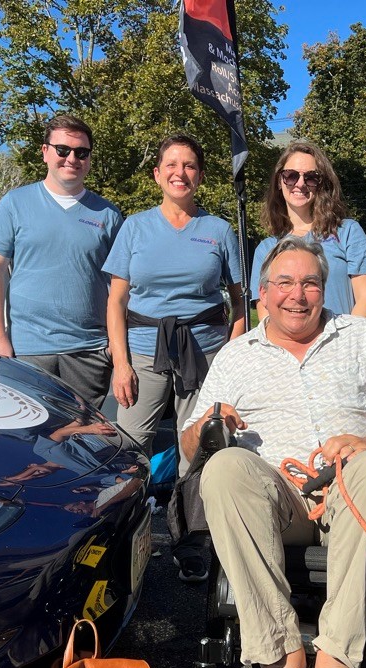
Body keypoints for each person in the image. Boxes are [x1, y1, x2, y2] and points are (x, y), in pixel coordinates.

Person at [179, 236, 366, 668]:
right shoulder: (236, 354)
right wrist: (206, 427)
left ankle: (334, 664)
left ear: (324, 288)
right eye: (283, 283)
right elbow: (187, 449)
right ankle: (281, 658)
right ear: (263, 294)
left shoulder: (361, 335)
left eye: (310, 282)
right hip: (276, 501)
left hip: (350, 489)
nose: (297, 294)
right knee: (223, 468)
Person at [104, 133, 246, 582]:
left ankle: (192, 541)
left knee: (198, 448)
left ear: (200, 176)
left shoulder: (220, 231)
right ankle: (122, 538)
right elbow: (116, 302)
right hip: (144, 352)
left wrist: (231, 355)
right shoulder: (135, 227)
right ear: (157, 174)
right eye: (171, 164)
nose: (179, 172)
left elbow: (241, 302)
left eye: (189, 165)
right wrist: (121, 364)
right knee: (129, 447)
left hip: (203, 355)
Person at [0, 113, 123, 408]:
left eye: (81, 152)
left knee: (79, 442)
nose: (72, 158)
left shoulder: (108, 215)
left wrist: (114, 348)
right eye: (62, 150)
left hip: (89, 352)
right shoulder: (15, 203)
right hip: (27, 349)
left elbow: (119, 288)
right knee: (26, 437)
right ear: (45, 152)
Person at [251, 140, 366, 319]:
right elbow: (266, 313)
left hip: (342, 342)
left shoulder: (347, 232)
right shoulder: (266, 249)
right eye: (291, 175)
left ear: (321, 183)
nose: (301, 183)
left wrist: (347, 343)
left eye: (311, 177)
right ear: (279, 182)